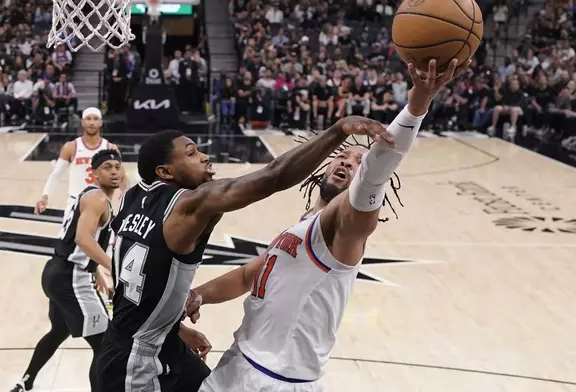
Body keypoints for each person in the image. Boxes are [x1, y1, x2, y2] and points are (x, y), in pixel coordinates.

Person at [185, 59, 468, 392]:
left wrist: (417, 104)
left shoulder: (345, 227)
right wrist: (198, 295)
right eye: (344, 157)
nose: (349, 162)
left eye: (358, 164)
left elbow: (376, 171)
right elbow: (249, 275)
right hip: (239, 362)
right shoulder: (304, 225)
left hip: (280, 381)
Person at [96, 107, 393, 389]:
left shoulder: (130, 199)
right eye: (191, 154)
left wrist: (172, 325)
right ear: (166, 172)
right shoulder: (189, 205)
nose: (204, 156)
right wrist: (338, 131)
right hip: (136, 361)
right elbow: (274, 176)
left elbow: (136, 282)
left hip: (146, 339)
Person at [9, 149, 122, 392]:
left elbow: (76, 238)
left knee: (59, 329)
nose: (114, 171)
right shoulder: (98, 199)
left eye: (117, 166)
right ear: (94, 173)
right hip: (71, 277)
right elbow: (82, 238)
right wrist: (113, 268)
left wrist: (95, 270)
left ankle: (26, 380)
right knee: (105, 344)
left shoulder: (92, 196)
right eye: (107, 167)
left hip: (56, 272)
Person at [34, 107, 129, 237]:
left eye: (95, 119)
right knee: (65, 241)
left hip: (101, 203)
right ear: (82, 122)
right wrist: (45, 196)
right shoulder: (71, 147)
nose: (91, 122)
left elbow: (122, 176)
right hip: (75, 202)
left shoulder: (110, 148)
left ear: (100, 122)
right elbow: (56, 175)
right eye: (88, 119)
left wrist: (126, 195)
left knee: (98, 244)